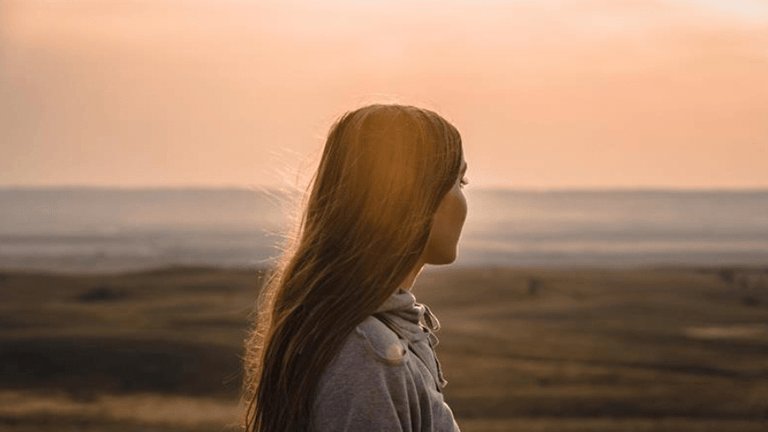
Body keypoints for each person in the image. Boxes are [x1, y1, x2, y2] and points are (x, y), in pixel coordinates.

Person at [241, 103, 469, 431]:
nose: (464, 200)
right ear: (415, 196)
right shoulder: (368, 356)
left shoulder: (368, 339)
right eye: (459, 182)